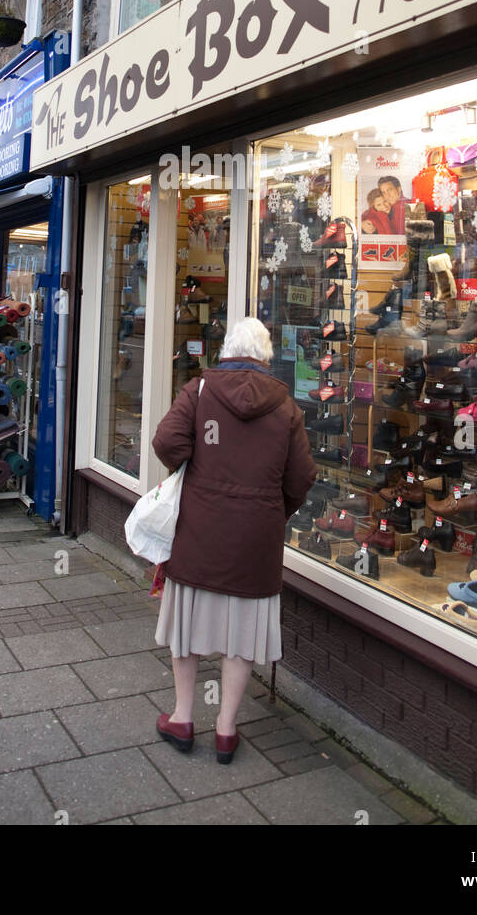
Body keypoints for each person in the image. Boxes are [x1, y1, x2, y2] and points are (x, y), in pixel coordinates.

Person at [151, 316, 316, 763]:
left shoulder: (201, 391)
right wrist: (273, 510)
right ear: (265, 356)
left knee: (186, 627)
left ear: (226, 350)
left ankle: (183, 717)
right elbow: (302, 477)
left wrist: (194, 467)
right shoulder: (285, 406)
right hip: (255, 540)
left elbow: (166, 442)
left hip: (199, 530)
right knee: (242, 635)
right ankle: (226, 729)